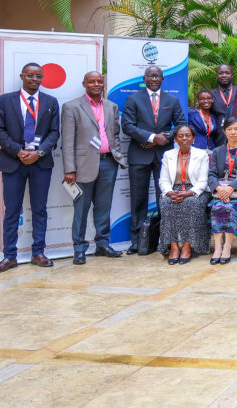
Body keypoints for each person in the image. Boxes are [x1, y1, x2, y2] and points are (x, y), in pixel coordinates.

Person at [0, 62, 61, 273]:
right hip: (13, 163)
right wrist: (18, 151)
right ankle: (9, 256)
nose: (34, 79)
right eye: (30, 75)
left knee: (40, 209)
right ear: (22, 76)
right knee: (12, 211)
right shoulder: (4, 100)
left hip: (40, 163)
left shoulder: (50, 102)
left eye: (38, 76)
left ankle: (38, 252)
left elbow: (54, 133)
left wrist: (38, 153)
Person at [61, 71, 126, 265]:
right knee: (81, 208)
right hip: (82, 166)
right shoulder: (72, 107)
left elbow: (114, 134)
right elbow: (67, 140)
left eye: (99, 81)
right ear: (84, 84)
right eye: (92, 81)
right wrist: (69, 169)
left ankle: (102, 244)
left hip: (108, 162)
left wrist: (117, 155)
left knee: (104, 207)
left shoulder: (111, 106)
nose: (96, 84)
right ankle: (79, 249)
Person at [121, 65, 186, 255]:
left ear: (163, 79)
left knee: (164, 198)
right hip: (139, 154)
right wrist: (151, 137)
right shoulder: (133, 99)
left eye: (158, 76)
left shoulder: (171, 100)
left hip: (163, 156)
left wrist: (165, 136)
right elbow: (127, 125)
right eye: (151, 76)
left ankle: (164, 240)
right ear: (145, 78)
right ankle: (137, 242)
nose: (154, 79)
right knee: (138, 199)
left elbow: (181, 124)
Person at [158, 125, 210, 264]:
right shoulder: (168, 155)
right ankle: (174, 246)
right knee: (166, 204)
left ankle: (187, 246)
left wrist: (187, 193)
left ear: (193, 138)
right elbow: (163, 180)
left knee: (191, 203)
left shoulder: (201, 154)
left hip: (194, 190)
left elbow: (203, 181)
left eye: (188, 135)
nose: (184, 138)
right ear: (175, 139)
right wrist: (169, 193)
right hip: (173, 189)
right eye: (181, 136)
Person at [208, 117, 237, 264]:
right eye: (229, 129)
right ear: (224, 132)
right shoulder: (217, 151)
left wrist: (230, 188)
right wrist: (218, 188)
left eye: (236, 129)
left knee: (228, 207)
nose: (233, 132)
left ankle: (227, 246)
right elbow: (212, 174)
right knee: (218, 206)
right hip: (220, 192)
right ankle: (217, 248)